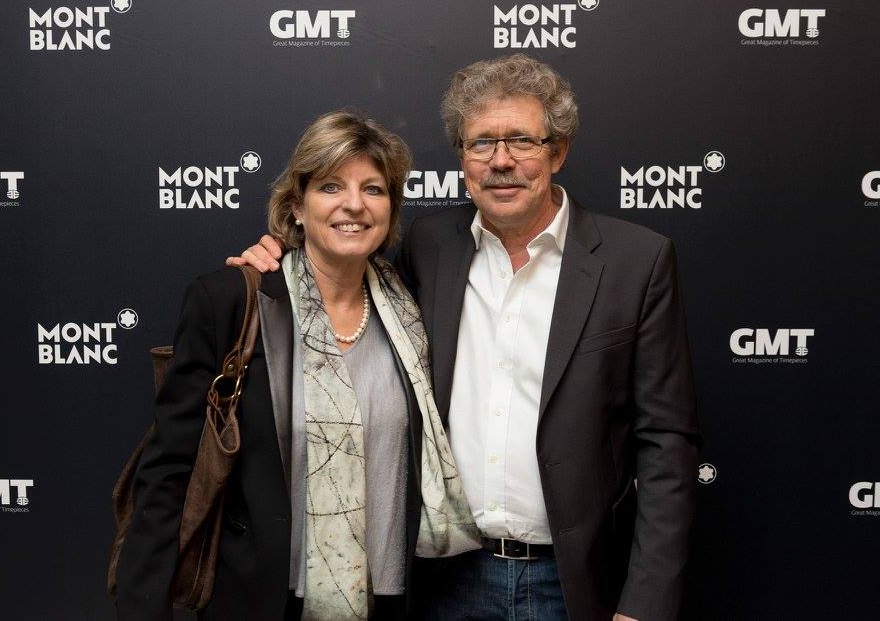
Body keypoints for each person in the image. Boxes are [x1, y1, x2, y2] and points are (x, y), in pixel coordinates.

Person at [230, 54, 701, 621]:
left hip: (573, 584)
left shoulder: (636, 262)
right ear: (461, 157)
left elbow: (667, 445)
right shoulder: (430, 245)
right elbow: (340, 263)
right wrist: (281, 253)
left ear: (558, 151)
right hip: (443, 578)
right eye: (482, 143)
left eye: (522, 140)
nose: (501, 161)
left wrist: (645, 605)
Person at [115, 110, 479, 621]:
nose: (354, 204)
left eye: (373, 189)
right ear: (296, 206)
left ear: (390, 210)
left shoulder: (412, 306)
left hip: (393, 600)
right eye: (331, 186)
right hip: (265, 601)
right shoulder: (233, 303)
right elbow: (171, 469)